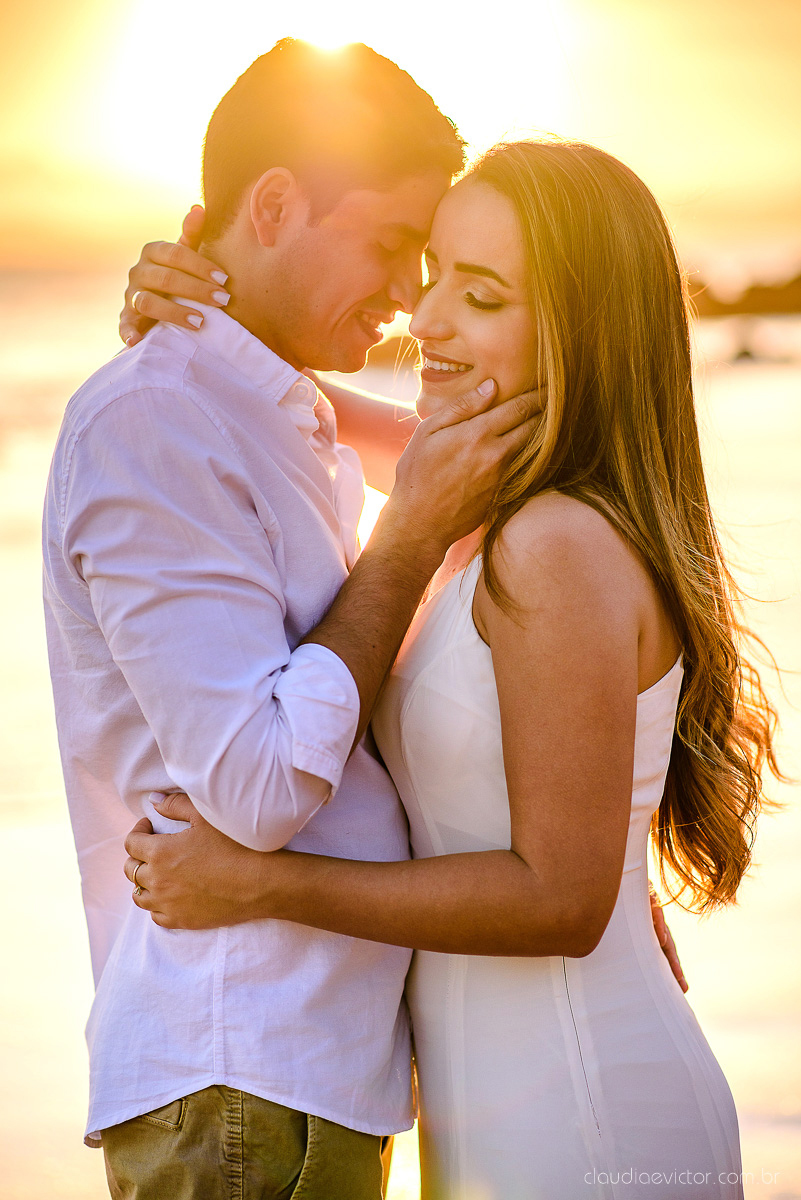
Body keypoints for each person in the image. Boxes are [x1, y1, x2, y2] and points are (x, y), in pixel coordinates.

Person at [123, 139, 780, 1199]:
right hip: (503, 1113)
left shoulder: (554, 544)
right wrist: (193, 314)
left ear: (579, 334)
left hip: (585, 1116)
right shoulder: (486, 503)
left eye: (479, 297)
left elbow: (559, 902)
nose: (423, 321)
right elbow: (292, 413)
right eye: (431, 276)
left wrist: (258, 884)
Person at [43, 39, 547, 1200]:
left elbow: (475, 460)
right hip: (242, 1079)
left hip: (304, 1081)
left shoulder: (274, 413)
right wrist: (410, 533)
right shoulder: (155, 429)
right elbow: (262, 787)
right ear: (273, 204)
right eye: (388, 247)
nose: (410, 298)